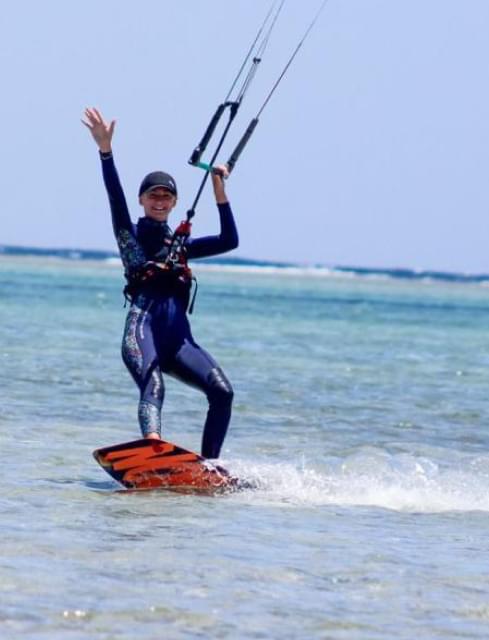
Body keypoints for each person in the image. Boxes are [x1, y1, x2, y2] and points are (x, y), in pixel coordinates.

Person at [82, 107, 238, 459]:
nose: (159, 200)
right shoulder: (131, 237)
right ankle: (152, 447)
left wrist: (218, 187)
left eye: (166, 196)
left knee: (223, 392)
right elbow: (114, 197)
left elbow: (230, 240)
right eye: (152, 195)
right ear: (142, 200)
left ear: (175, 203)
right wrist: (105, 151)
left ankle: (209, 467)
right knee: (154, 386)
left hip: (179, 342)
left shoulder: (181, 247)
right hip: (142, 335)